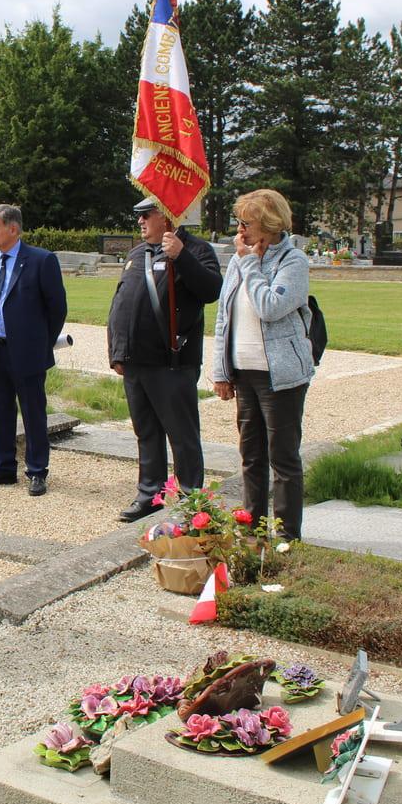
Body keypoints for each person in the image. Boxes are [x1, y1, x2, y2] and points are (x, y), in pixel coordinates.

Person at [107, 197, 222, 522]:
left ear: (168, 215)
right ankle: (150, 494)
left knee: (181, 434)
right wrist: (116, 351)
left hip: (171, 362)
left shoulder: (195, 250)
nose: (141, 221)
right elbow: (121, 303)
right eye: (139, 215)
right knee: (146, 433)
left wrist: (181, 257)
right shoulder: (136, 254)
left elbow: (211, 290)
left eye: (147, 214)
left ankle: (190, 500)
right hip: (135, 361)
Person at [210, 189, 314, 541]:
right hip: (244, 372)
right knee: (250, 455)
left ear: (268, 225)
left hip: (280, 375)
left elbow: (270, 307)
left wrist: (250, 263)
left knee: (283, 458)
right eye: (238, 222)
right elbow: (224, 316)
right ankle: (250, 527)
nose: (239, 230)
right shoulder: (240, 259)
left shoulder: (293, 261)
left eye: (246, 223)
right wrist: (220, 371)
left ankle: (286, 536)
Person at [0, 204, 68, 497]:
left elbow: (57, 308)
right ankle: (3, 469)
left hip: (28, 352)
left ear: (13, 229)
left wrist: (41, 344)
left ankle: (37, 471)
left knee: (33, 413)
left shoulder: (42, 261)